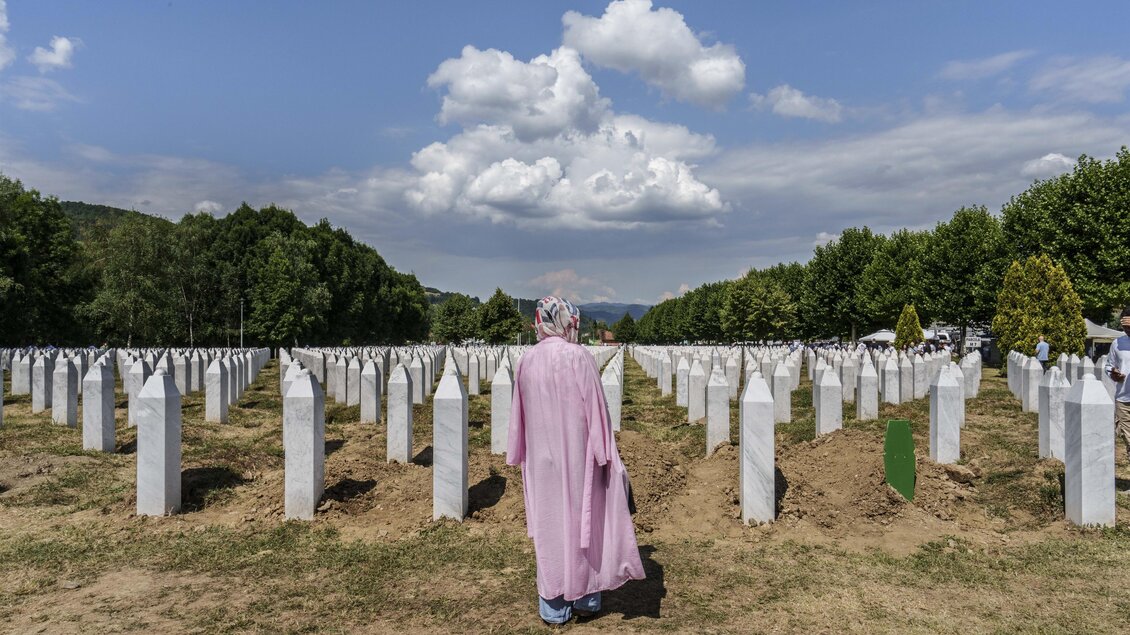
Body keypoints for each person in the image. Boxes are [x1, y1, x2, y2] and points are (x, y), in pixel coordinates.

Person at [507, 296, 645, 625]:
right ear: (569, 321)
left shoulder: (527, 359)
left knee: (550, 526)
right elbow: (596, 409)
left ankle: (553, 608)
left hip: (541, 458)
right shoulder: (577, 356)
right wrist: (604, 454)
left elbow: (518, 413)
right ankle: (585, 599)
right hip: (579, 454)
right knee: (584, 522)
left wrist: (517, 452)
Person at [1104, 307, 1130, 456]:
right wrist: (1113, 373)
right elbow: (1109, 365)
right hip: (1123, 399)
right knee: (1128, 439)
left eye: (1129, 327)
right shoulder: (1117, 343)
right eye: (1124, 327)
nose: (1127, 330)